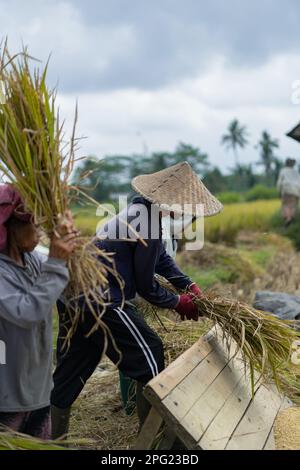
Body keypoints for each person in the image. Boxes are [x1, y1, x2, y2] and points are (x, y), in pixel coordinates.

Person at [50, 161, 223, 439]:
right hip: (101, 301)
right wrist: (179, 302)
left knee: (73, 368)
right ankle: (151, 441)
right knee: (151, 357)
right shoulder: (148, 222)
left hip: (73, 296)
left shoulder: (136, 212)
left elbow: (160, 260)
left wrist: (186, 282)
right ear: (171, 202)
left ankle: (53, 439)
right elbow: (146, 286)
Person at [0, 184, 78, 439]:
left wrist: (71, 252)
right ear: (10, 227)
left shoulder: (31, 259)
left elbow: (66, 281)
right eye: (33, 223)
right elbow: (27, 312)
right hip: (7, 397)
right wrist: (57, 262)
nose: (40, 231)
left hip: (39, 388)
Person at [277, 158, 300, 226]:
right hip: (296, 191)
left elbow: (279, 182)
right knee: (293, 206)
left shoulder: (283, 171)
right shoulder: (296, 172)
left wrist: (279, 191)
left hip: (286, 190)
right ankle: (291, 218)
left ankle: (288, 218)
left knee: (286, 205)